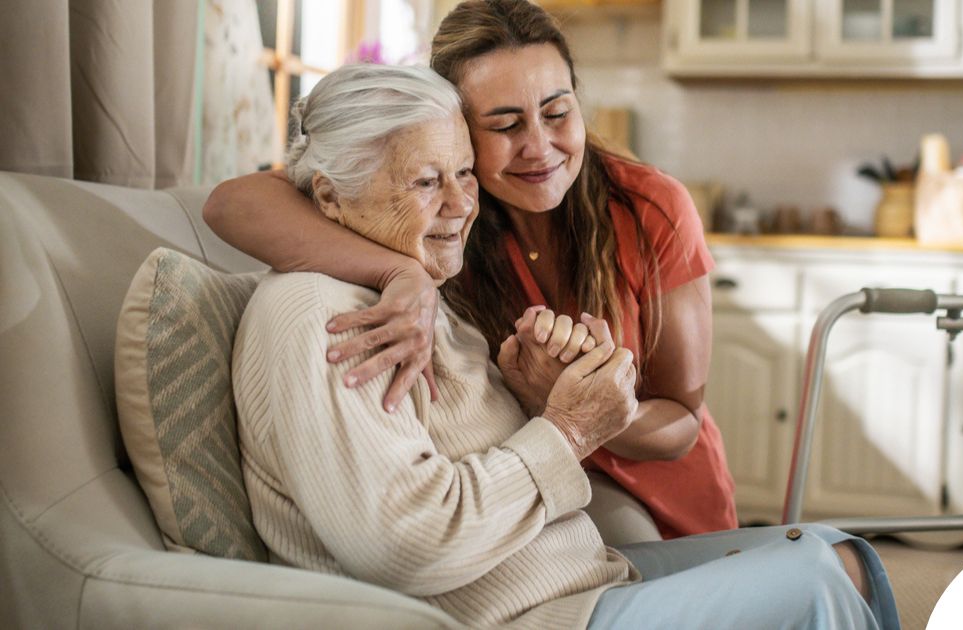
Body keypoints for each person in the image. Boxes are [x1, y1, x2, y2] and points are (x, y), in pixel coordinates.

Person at [233, 62, 899, 629]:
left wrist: (541, 390)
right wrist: (569, 427)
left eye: (463, 173)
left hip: (579, 579)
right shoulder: (324, 319)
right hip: (533, 616)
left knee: (839, 553)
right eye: (426, 182)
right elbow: (406, 543)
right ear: (330, 197)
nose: (461, 205)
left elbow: (473, 448)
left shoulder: (411, 289)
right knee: (814, 578)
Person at [205, 0, 734, 542]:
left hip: (668, 501)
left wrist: (582, 406)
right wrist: (402, 274)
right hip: (535, 492)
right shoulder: (447, 220)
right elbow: (231, 204)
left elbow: (682, 423)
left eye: (557, 113)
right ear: (457, 127)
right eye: (504, 124)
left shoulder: (649, 207)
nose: (539, 148)